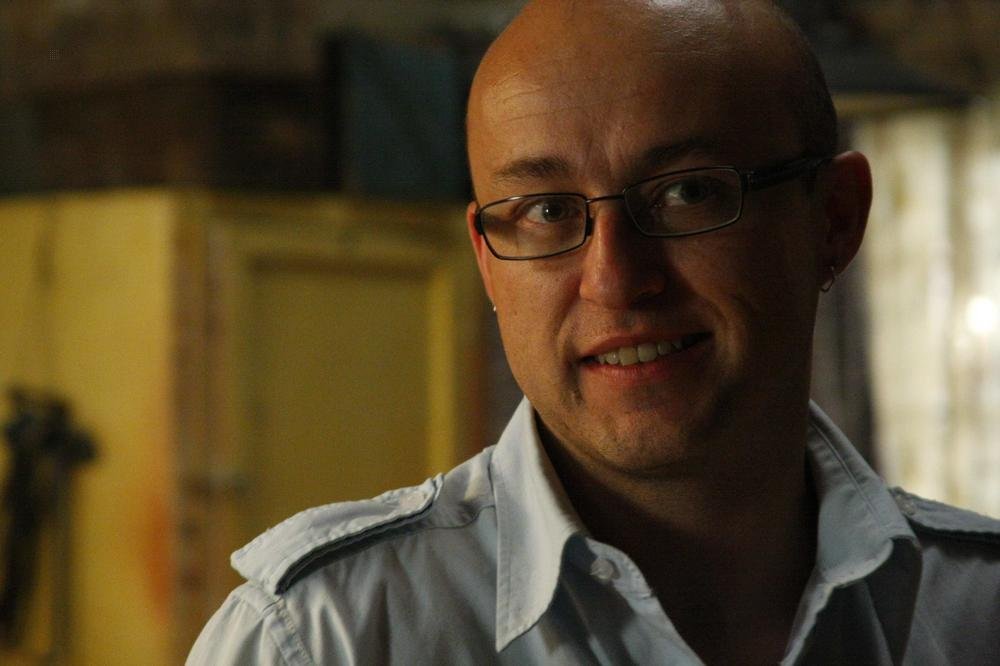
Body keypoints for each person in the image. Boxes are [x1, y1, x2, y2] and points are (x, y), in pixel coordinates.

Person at [188, 1, 1000, 663]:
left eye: (686, 193)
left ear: (835, 218)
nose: (614, 279)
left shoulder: (978, 612)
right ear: (487, 263)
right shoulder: (327, 640)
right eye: (545, 211)